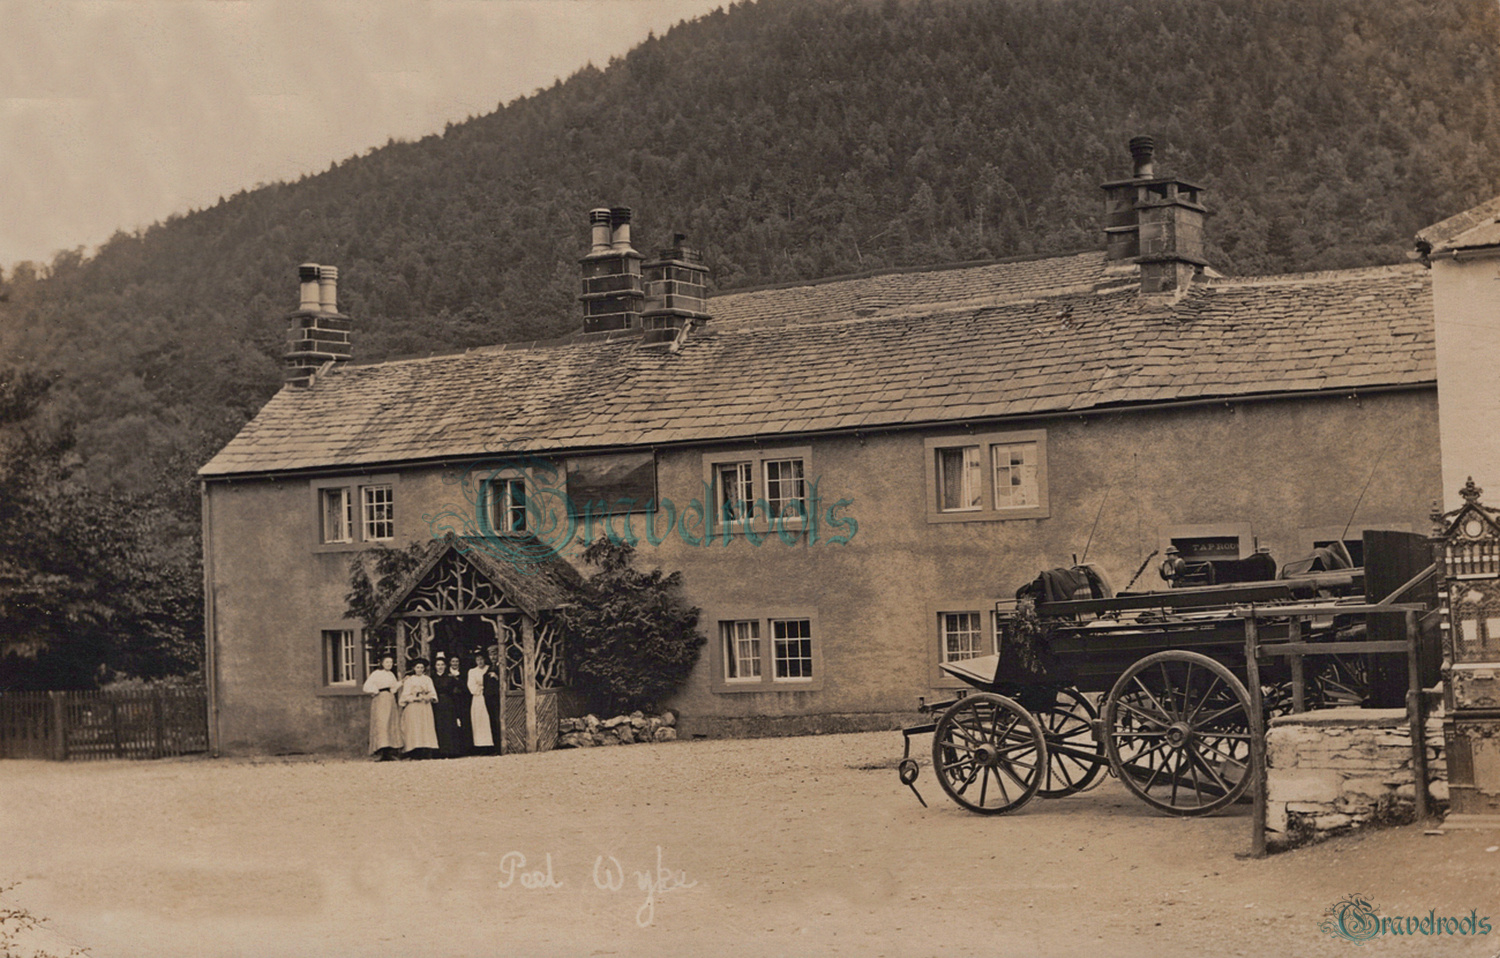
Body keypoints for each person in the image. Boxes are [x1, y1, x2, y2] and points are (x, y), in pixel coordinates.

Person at [362, 652, 403, 760]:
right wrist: (375, 691)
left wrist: (401, 682)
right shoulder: (376, 673)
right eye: (387, 662)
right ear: (382, 663)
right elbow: (366, 686)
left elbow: (393, 688)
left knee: (390, 723)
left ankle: (389, 751)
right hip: (380, 699)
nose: (389, 664)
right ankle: (381, 751)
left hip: (390, 699)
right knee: (382, 724)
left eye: (391, 662)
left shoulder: (391, 674)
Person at [398, 657, 439, 758]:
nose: (420, 669)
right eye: (418, 667)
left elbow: (433, 693)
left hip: (425, 707)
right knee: (415, 728)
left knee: (425, 727)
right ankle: (414, 751)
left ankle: (426, 750)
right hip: (414, 707)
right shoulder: (410, 680)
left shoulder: (427, 679)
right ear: (414, 668)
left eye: (422, 668)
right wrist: (415, 698)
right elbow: (405, 695)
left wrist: (428, 697)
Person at [432, 656, 463, 757]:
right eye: (438, 665)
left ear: (445, 666)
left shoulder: (450, 677)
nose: (440, 667)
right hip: (436, 704)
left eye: (442, 665)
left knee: (449, 725)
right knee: (438, 725)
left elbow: (457, 691)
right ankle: (438, 751)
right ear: (435, 666)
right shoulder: (432, 678)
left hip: (448, 703)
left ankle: (451, 751)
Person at [467, 651, 495, 753]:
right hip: (478, 698)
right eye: (477, 659)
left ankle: (492, 745)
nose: (480, 661)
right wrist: (480, 689)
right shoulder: (472, 671)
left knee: (489, 719)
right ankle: (480, 746)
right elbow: (471, 686)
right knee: (479, 721)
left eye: (481, 659)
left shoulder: (489, 668)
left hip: (489, 696)